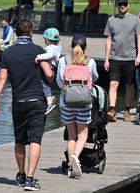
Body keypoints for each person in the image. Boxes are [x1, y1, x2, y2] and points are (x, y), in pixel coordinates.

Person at [0, 20, 54, 191]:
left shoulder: (8, 53)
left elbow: (2, 79)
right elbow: (48, 75)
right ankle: (31, 179)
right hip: (37, 101)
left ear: (16, 33)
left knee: (19, 140)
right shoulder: (38, 51)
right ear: (31, 33)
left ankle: (21, 174)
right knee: (35, 140)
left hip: (18, 101)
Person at [56, 34, 98, 178]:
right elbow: (95, 77)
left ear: (71, 46)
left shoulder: (63, 60)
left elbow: (59, 81)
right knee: (83, 135)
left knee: (71, 136)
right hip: (84, 103)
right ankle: (75, 156)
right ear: (85, 47)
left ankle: (70, 166)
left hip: (67, 103)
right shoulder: (90, 61)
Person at [104, 0, 140, 123]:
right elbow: (108, 40)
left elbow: (139, 38)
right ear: (117, 5)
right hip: (115, 57)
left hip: (130, 58)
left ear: (128, 5)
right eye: (120, 4)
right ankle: (112, 110)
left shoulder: (135, 20)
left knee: (129, 85)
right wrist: (106, 59)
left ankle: (127, 110)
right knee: (113, 83)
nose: (122, 6)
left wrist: (138, 56)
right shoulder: (111, 20)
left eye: (124, 4)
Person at [36, 27, 63, 115]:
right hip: (53, 67)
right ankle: (48, 98)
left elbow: (49, 55)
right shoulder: (57, 47)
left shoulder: (51, 47)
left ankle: (49, 100)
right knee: (45, 84)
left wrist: (38, 57)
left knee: (44, 83)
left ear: (47, 40)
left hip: (50, 67)